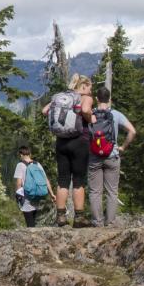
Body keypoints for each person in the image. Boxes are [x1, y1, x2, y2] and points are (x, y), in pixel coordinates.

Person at [43, 73, 93, 227]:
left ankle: (61, 216)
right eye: (90, 87)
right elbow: (85, 109)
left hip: (61, 142)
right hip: (79, 142)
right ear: (83, 86)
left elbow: (45, 111)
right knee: (78, 180)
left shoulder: (60, 97)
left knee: (63, 179)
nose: (91, 91)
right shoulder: (85, 97)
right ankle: (79, 218)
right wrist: (91, 118)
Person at [86, 85, 136, 227]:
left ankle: (97, 222)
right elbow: (132, 131)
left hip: (94, 156)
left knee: (95, 191)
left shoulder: (91, 114)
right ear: (110, 100)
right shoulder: (116, 114)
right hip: (112, 155)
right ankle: (110, 223)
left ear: (96, 99)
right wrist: (123, 147)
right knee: (112, 192)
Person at [12, 145, 54, 227]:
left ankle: (31, 238)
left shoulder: (20, 165)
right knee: (34, 221)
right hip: (37, 196)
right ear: (29, 154)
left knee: (29, 223)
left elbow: (18, 183)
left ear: (21, 154)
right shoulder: (37, 164)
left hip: (27, 196)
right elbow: (46, 180)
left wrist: (18, 196)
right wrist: (51, 194)